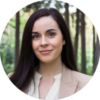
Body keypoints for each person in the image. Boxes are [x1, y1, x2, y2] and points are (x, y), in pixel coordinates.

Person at [7, 8, 93, 99]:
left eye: (51, 34)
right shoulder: (13, 80)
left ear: (64, 39)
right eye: (36, 36)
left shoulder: (85, 83)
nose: (43, 43)